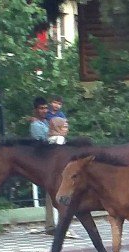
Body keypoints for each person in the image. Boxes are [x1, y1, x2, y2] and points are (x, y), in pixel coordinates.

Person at [28, 96, 78, 238]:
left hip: (55, 162)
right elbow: (43, 144)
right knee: (53, 191)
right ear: (36, 110)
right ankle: (54, 225)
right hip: (46, 162)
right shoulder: (36, 125)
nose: (44, 111)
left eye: (45, 108)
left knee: (55, 192)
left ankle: (54, 224)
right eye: (41, 108)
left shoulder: (47, 122)